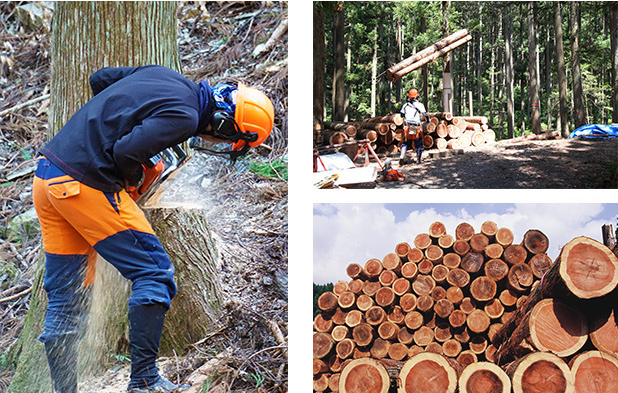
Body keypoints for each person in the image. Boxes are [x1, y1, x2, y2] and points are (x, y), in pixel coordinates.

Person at [32, 65, 274, 393]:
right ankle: (144, 381)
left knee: (67, 296)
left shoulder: (167, 76)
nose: (215, 140)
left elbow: (99, 80)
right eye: (226, 137)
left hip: (47, 176)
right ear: (223, 124)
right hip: (85, 185)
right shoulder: (186, 117)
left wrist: (111, 126)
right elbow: (124, 152)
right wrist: (132, 176)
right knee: (154, 273)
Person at [399, 88, 429, 165]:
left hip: (408, 126)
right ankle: (418, 160)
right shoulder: (420, 105)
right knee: (419, 144)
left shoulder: (405, 105)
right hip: (416, 127)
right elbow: (425, 114)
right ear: (416, 97)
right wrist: (428, 120)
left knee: (406, 143)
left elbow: (402, 114)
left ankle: (402, 156)